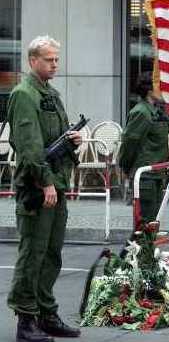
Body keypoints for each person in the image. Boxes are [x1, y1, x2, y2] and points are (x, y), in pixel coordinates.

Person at [7, 36, 82, 342]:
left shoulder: (50, 93)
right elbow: (28, 147)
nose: (55, 64)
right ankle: (26, 321)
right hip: (38, 187)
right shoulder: (24, 94)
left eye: (56, 59)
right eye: (49, 59)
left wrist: (72, 141)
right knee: (33, 254)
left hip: (55, 183)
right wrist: (46, 181)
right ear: (32, 61)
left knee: (51, 254)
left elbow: (56, 136)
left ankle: (45, 314)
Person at [118, 72, 169, 225]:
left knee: (152, 225)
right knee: (144, 226)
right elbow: (129, 143)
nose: (163, 90)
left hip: (156, 175)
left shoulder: (156, 111)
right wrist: (126, 168)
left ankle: (146, 250)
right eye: (159, 86)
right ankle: (139, 250)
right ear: (149, 90)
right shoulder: (141, 112)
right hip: (145, 177)